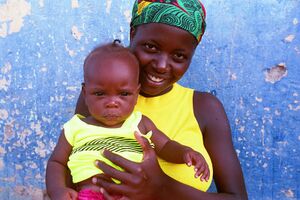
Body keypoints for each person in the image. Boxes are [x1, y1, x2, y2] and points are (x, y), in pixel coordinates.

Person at [75, 0, 248, 199]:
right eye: (151, 47)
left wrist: (163, 187)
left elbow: (238, 197)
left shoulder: (205, 108)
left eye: (179, 56)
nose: (162, 65)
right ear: (132, 33)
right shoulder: (101, 99)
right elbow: (70, 172)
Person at [46, 41, 210, 200]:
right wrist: (58, 191)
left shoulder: (140, 123)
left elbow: (166, 146)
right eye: (100, 93)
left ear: (136, 94)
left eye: (123, 94)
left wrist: (185, 153)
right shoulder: (75, 127)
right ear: (85, 92)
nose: (112, 103)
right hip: (91, 195)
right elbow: (57, 162)